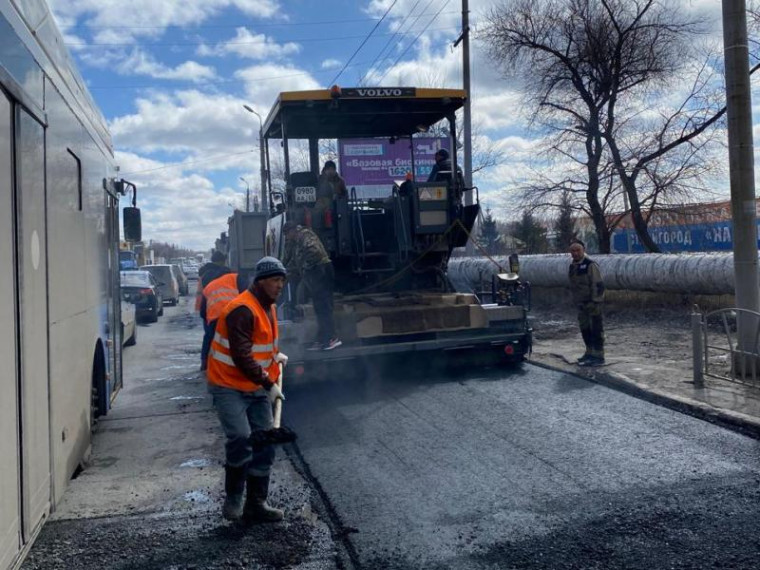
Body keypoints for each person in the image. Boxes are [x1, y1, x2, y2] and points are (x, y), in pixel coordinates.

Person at [206, 256, 289, 523]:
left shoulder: (269, 307)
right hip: (228, 384)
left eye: (282, 281)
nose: (280, 286)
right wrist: (270, 384)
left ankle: (256, 503)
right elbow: (242, 356)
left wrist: (275, 356)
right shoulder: (241, 309)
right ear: (261, 281)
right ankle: (234, 498)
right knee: (241, 438)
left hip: (253, 386)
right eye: (275, 280)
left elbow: (260, 344)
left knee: (264, 442)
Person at [281, 221, 341, 351]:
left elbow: (314, 252)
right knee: (319, 307)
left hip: (321, 271)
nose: (286, 237)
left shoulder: (305, 235)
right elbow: (292, 261)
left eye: (287, 233)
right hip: (315, 273)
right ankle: (323, 340)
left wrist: (304, 267)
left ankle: (331, 339)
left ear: (292, 230)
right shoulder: (296, 242)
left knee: (324, 307)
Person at [568, 239, 605, 366]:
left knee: (596, 329)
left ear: (583, 251)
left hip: (592, 303)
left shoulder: (590, 265)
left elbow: (598, 284)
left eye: (578, 250)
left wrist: (595, 301)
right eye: (573, 251)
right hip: (581, 304)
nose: (575, 253)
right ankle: (589, 352)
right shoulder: (573, 266)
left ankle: (598, 355)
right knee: (585, 329)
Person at [198, 251, 234, 371]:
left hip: (211, 311)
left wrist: (204, 314)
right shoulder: (228, 275)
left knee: (209, 337)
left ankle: (205, 363)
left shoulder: (205, 274)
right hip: (229, 312)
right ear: (222, 261)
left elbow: (204, 296)